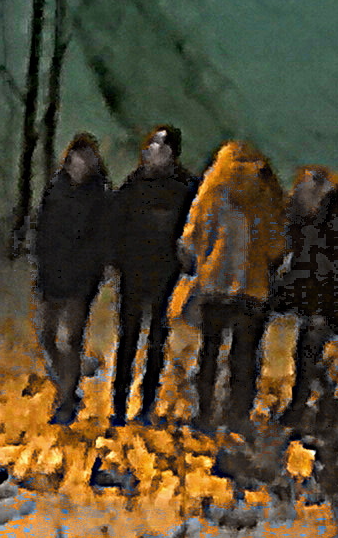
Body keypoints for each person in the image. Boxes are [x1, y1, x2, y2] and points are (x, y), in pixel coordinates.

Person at [182, 134, 289, 422]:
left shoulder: (213, 190)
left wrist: (205, 261)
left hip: (215, 284)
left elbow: (192, 236)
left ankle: (204, 413)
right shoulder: (267, 195)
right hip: (252, 288)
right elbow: (277, 245)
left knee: (209, 354)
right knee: (244, 357)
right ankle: (237, 416)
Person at [28, 131, 117, 423]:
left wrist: (97, 268)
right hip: (53, 274)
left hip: (81, 279)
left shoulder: (100, 194)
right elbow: (44, 229)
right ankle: (67, 381)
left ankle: (66, 399)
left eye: (86, 160)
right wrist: (40, 264)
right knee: (47, 336)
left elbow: (105, 237)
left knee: (72, 339)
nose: (80, 166)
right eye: (76, 160)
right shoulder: (56, 188)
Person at [105, 128, 194, 420]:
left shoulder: (185, 186)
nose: (150, 153)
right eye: (150, 147)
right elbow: (116, 222)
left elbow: (194, 228)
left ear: (171, 153)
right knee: (127, 338)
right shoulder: (134, 183)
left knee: (157, 339)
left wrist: (186, 261)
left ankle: (147, 403)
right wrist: (116, 259)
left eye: (158, 147)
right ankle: (119, 403)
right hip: (133, 270)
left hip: (165, 273)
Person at [272, 162, 338, 409]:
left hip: (318, 296)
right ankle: (307, 404)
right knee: (307, 353)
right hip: (307, 291)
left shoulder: (325, 221)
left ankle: (304, 406)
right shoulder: (304, 217)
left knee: (309, 353)